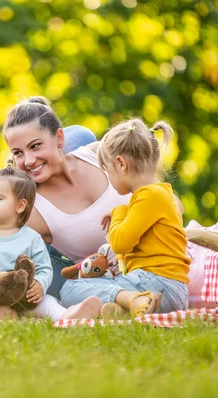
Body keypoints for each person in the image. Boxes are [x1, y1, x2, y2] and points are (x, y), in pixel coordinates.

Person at [1, 96, 218, 310]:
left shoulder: (102, 151)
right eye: (18, 153)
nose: (28, 160)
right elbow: (1, 250)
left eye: (35, 146)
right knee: (74, 291)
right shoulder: (31, 211)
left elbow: (170, 202)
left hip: (197, 242)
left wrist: (165, 201)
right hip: (156, 279)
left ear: (59, 138)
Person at [68, 118, 190, 316]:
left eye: (107, 169)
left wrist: (118, 213)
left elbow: (120, 243)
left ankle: (131, 298)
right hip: (167, 288)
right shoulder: (158, 194)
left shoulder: (149, 196)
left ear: (121, 164)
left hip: (159, 285)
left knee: (70, 289)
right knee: (89, 287)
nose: (108, 177)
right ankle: (126, 309)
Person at [0, 166, 102, 320]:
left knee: (47, 301)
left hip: (23, 297)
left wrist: (39, 284)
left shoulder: (32, 238)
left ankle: (69, 315)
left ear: (20, 205)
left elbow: (44, 268)